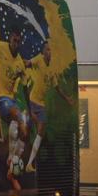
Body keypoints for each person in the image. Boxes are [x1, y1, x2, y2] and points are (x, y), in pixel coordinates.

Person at [23, 41, 73, 173]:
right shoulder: (38, 59)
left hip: (41, 105)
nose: (49, 52)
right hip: (33, 100)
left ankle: (30, 163)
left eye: (50, 50)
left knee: (41, 131)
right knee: (27, 131)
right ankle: (18, 156)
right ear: (43, 52)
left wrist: (67, 98)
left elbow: (57, 87)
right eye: (47, 50)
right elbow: (28, 63)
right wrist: (20, 63)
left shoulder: (52, 70)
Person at [0, 27, 29, 192]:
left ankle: (11, 167)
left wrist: (30, 109)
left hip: (11, 100)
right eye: (14, 40)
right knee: (19, 119)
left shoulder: (20, 63)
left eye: (19, 41)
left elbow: (25, 86)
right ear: (10, 39)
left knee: (23, 130)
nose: (16, 43)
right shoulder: (1, 48)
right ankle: (11, 163)